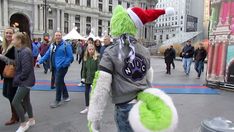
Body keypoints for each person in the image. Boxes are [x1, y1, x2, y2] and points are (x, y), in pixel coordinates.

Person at [87, 5, 178, 132]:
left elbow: (101, 87)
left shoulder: (110, 52)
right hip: (143, 102)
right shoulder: (144, 50)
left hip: (124, 106)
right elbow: (148, 77)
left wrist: (94, 118)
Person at [38, 31, 74, 108]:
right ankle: (66, 96)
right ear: (54, 37)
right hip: (54, 67)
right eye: (56, 35)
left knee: (57, 82)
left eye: (59, 35)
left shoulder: (66, 45)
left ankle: (57, 100)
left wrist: (64, 64)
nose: (58, 37)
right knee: (60, 81)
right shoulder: (52, 45)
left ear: (61, 36)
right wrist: (40, 61)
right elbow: (47, 54)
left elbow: (70, 57)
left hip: (62, 67)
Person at [11, 32, 35, 132]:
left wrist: (17, 79)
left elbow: (26, 70)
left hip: (26, 81)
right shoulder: (19, 50)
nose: (12, 41)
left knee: (15, 101)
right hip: (25, 80)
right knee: (26, 101)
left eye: (13, 39)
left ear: (19, 41)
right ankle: (31, 119)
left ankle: (23, 123)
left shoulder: (25, 51)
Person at [0, 27, 19, 125]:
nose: (8, 35)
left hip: (13, 75)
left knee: (11, 96)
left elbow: (16, 62)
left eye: (10, 33)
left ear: (14, 34)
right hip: (6, 74)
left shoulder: (15, 46)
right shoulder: (4, 46)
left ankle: (14, 116)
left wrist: (2, 57)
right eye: (6, 33)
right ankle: (19, 112)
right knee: (7, 94)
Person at [80, 44, 99, 114]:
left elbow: (98, 69)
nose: (91, 51)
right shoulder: (86, 58)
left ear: (94, 50)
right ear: (87, 50)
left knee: (94, 94)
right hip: (88, 78)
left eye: (92, 49)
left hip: (94, 79)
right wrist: (83, 77)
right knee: (86, 93)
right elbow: (84, 69)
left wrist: (96, 79)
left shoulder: (97, 58)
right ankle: (87, 107)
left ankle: (95, 107)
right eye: (89, 49)